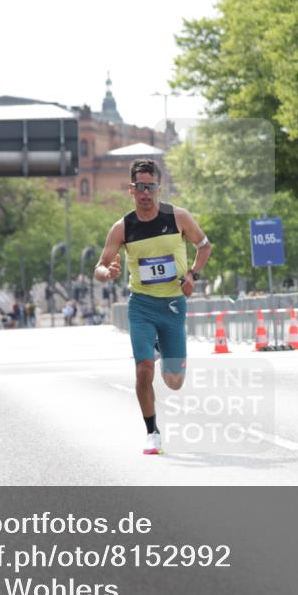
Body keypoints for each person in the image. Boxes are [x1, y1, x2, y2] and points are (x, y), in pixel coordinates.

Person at [93, 158, 212, 455]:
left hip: (172, 305)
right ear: (131, 190)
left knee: (174, 382)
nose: (146, 193)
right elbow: (99, 266)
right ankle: (152, 432)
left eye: (151, 187)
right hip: (141, 305)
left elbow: (204, 246)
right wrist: (106, 273)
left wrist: (192, 274)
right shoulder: (122, 228)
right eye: (140, 187)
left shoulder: (178, 217)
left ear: (159, 188)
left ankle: (162, 349)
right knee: (143, 370)